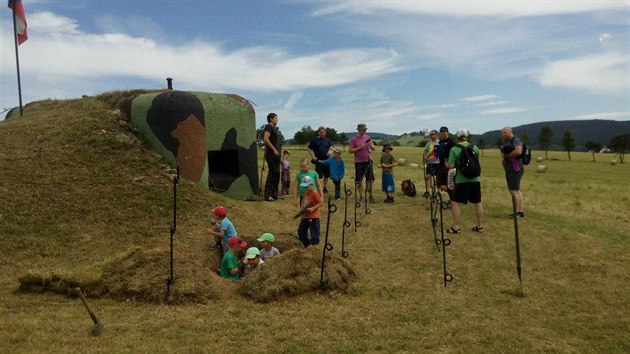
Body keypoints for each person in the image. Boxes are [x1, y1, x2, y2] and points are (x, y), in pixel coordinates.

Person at [446, 129, 484, 234]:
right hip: (476, 179)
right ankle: (480, 226)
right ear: (467, 136)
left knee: (454, 201)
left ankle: (456, 226)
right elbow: (477, 162)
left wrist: (447, 163)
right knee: (477, 202)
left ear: (457, 137)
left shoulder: (454, 149)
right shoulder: (474, 147)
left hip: (462, 180)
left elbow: (451, 166)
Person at [500, 127, 525, 218]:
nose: (503, 134)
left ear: (510, 132)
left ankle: (517, 212)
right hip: (511, 169)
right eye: (502, 133)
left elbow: (518, 151)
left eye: (504, 133)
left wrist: (507, 156)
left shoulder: (515, 140)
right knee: (516, 190)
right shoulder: (507, 142)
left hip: (515, 169)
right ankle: (520, 211)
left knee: (513, 191)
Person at [348, 123, 376, 202]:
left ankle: (370, 195)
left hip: (368, 161)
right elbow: (350, 151)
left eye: (365, 129)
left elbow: (374, 148)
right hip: (359, 162)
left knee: (369, 179)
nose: (365, 131)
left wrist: (370, 145)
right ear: (359, 130)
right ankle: (361, 196)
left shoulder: (368, 137)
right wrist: (360, 148)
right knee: (359, 180)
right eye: (363, 129)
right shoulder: (353, 139)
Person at [297, 176, 323, 248]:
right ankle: (307, 245)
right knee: (301, 232)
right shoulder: (306, 193)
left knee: (314, 234)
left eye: (307, 186)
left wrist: (313, 208)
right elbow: (303, 204)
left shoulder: (315, 193)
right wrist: (301, 213)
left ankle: (315, 248)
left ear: (312, 184)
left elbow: (321, 203)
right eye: (304, 186)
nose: (305, 188)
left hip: (314, 217)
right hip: (306, 216)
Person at [307, 126, 333, 193]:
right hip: (318, 161)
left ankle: (325, 187)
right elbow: (309, 148)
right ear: (318, 132)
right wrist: (313, 156)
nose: (322, 134)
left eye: (323, 132)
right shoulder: (314, 140)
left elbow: (332, 148)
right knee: (318, 176)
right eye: (321, 132)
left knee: (326, 175)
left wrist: (330, 152)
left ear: (325, 133)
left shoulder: (328, 140)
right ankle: (318, 187)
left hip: (327, 161)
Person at [263, 113, 281, 201]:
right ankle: (267, 195)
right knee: (272, 174)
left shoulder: (273, 128)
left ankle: (274, 194)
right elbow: (265, 139)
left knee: (276, 174)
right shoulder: (268, 127)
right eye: (276, 118)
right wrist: (274, 149)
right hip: (271, 155)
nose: (277, 120)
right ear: (271, 119)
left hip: (276, 156)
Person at [435, 126, 456, 197]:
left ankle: (453, 198)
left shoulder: (451, 142)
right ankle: (454, 196)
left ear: (447, 132)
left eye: (444, 131)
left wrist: (448, 161)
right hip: (441, 166)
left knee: (449, 184)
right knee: (439, 184)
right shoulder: (440, 142)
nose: (443, 133)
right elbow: (437, 153)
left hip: (449, 166)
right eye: (441, 132)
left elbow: (454, 153)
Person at [423, 130, 441, 198]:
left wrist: (427, 156)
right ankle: (428, 191)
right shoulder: (428, 143)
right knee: (427, 177)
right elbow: (425, 150)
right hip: (430, 162)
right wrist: (425, 156)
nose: (431, 135)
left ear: (436, 134)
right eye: (430, 134)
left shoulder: (439, 142)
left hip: (438, 162)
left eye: (432, 134)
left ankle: (438, 192)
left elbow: (437, 151)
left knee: (438, 178)